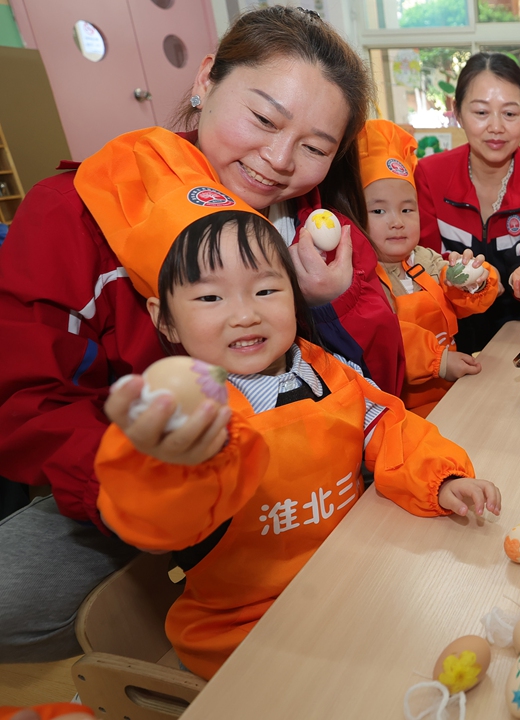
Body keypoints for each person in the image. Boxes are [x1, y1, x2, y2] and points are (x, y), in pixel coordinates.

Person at [0, 6, 395, 662]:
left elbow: (366, 392)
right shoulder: (75, 212)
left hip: (292, 466)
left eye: (315, 148)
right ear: (207, 78)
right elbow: (24, 398)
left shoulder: (306, 230)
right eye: (264, 119)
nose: (277, 160)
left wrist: (325, 305)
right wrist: (151, 471)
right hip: (141, 486)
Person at [85, 128, 499, 680]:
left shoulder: (321, 368)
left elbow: (387, 426)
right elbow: (158, 511)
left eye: (265, 289)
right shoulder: (190, 411)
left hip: (354, 577)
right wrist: (164, 461)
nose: (245, 314)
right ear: (165, 319)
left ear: (295, 293)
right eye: (210, 297)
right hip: (248, 628)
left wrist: (441, 478)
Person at [416, 52, 520, 354]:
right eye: (481, 113)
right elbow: (423, 259)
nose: (496, 127)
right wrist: (470, 282)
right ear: (457, 112)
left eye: (509, 114)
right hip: (452, 326)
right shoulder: (430, 175)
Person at [358, 120, 499, 417]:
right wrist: (439, 360)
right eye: (379, 210)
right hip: (395, 410)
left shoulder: (424, 258)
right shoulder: (359, 276)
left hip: (448, 394)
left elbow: (456, 291)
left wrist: (475, 281)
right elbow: (382, 336)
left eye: (407, 209)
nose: (397, 221)